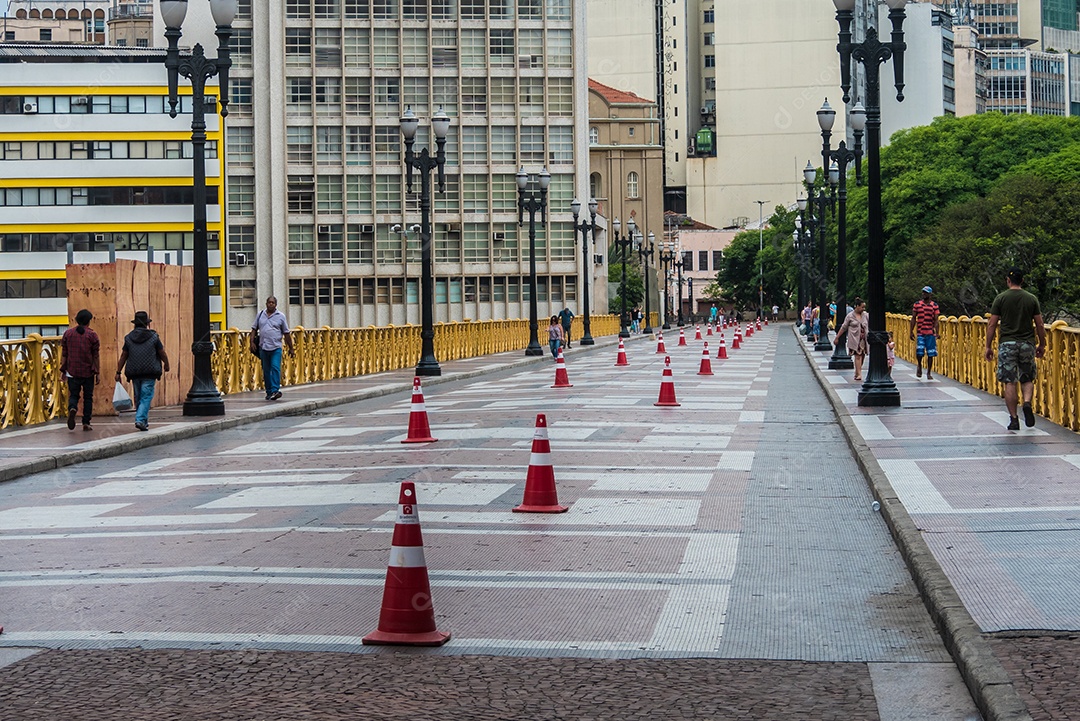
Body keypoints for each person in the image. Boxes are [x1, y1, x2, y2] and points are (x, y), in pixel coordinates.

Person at [985, 268, 1046, 431]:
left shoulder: (1001, 298)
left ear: (1008, 280)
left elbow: (992, 323)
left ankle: (1014, 419)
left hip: (1007, 344)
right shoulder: (1031, 299)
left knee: (1010, 381)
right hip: (1027, 344)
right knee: (1027, 378)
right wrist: (1042, 344)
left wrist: (988, 346)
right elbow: (1040, 324)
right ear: (1023, 280)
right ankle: (1026, 403)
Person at [116, 311, 170, 432]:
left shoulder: (129, 338)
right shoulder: (154, 337)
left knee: (139, 397)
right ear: (146, 324)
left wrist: (118, 371)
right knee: (146, 397)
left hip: (134, 372)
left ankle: (144, 422)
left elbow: (124, 355)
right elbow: (162, 352)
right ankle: (140, 419)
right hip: (150, 372)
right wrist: (166, 364)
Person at [60, 308, 100, 431]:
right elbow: (96, 356)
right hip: (88, 372)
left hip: (72, 371)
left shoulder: (68, 334)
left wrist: (63, 370)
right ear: (88, 321)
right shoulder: (92, 335)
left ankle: (73, 408)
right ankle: (86, 422)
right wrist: (97, 372)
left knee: (74, 395)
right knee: (88, 397)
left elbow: (64, 354)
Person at [251, 296, 295, 401]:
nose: (271, 304)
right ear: (266, 304)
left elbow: (286, 333)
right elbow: (253, 329)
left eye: (273, 303)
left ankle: (275, 390)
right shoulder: (261, 314)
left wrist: (291, 348)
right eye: (269, 302)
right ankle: (269, 391)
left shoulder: (281, 316)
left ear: (276, 305)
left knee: (275, 367)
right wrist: (251, 342)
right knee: (266, 370)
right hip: (263, 347)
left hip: (276, 347)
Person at [834, 297, 869, 382]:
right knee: (857, 355)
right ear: (857, 306)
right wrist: (837, 337)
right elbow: (843, 327)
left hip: (864, 340)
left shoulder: (866, 315)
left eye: (864, 307)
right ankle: (859, 374)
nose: (863, 309)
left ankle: (857, 372)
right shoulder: (850, 316)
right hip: (854, 339)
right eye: (862, 307)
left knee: (862, 355)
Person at [909, 286, 940, 380]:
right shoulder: (917, 304)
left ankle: (929, 372)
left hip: (930, 332)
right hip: (920, 332)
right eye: (923, 292)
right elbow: (914, 318)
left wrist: (937, 332)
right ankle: (919, 365)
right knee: (920, 351)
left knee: (931, 353)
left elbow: (936, 320)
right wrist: (911, 331)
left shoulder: (934, 305)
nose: (924, 294)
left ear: (930, 294)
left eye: (926, 293)